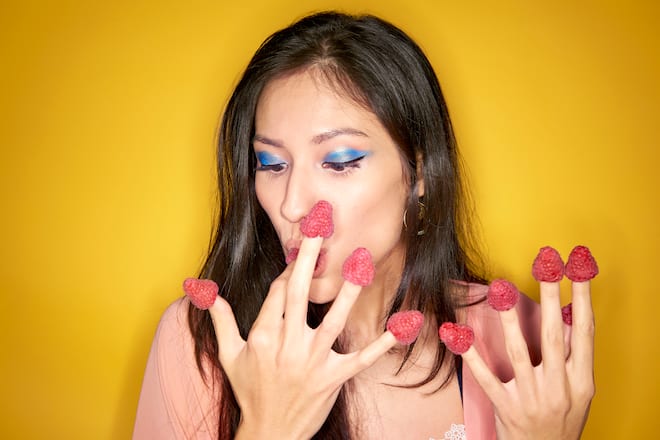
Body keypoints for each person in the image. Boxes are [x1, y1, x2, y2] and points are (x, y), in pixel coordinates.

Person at [133, 11, 595, 439]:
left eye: (339, 161)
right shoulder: (201, 342)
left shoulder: (518, 339)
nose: (292, 205)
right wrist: (268, 427)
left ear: (420, 174)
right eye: (271, 164)